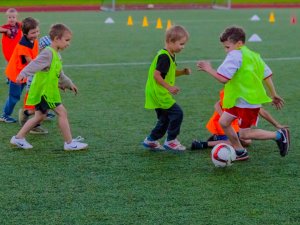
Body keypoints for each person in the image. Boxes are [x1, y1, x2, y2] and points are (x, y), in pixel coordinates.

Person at [197, 26, 290, 160]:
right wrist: (273, 93)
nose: (226, 50)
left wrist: (208, 68)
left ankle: (279, 135)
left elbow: (223, 79)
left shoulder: (234, 56)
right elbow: (267, 75)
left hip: (247, 102)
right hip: (238, 100)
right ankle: (240, 151)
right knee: (224, 122)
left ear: (239, 43)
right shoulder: (254, 55)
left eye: (228, 47)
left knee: (245, 134)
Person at [10, 23, 88, 151]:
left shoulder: (56, 54)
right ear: (57, 39)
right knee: (62, 112)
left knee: (39, 116)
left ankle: (18, 138)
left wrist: (68, 84)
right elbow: (34, 64)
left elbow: (59, 73)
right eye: (66, 40)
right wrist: (22, 74)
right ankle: (69, 143)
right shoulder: (48, 53)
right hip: (45, 92)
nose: (68, 43)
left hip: (47, 91)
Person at [142, 25, 191, 152]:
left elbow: (169, 72)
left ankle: (151, 140)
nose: (183, 47)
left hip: (156, 92)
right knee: (177, 113)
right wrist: (169, 87)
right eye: (181, 44)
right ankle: (171, 141)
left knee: (164, 119)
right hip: (159, 92)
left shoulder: (170, 54)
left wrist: (182, 72)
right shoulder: (164, 57)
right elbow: (157, 75)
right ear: (170, 42)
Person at [191, 89, 289, 150]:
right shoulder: (235, 91)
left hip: (231, 125)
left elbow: (261, 111)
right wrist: (224, 119)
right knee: (245, 140)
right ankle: (203, 144)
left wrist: (276, 124)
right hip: (222, 125)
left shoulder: (245, 92)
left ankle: (226, 143)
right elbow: (217, 104)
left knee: (245, 139)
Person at [0, 17, 39, 123]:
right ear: (25, 34)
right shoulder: (23, 46)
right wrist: (43, 66)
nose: (35, 34)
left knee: (33, 93)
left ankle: (40, 111)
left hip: (24, 74)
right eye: (33, 33)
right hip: (16, 75)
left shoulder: (33, 41)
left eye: (37, 31)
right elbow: (30, 62)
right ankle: (5, 115)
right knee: (14, 97)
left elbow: (35, 56)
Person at [18, 35, 54, 134]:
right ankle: (27, 117)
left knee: (44, 110)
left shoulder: (49, 58)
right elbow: (33, 76)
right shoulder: (42, 60)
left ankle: (31, 118)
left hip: (44, 89)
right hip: (37, 90)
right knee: (39, 111)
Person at [0, 8, 22, 83]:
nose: (11, 19)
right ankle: (9, 77)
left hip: (17, 50)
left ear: (16, 18)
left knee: (18, 64)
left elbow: (26, 26)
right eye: (9, 17)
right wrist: (6, 30)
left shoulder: (19, 25)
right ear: (7, 18)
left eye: (13, 17)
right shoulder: (6, 27)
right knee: (9, 65)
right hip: (8, 50)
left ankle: (19, 76)